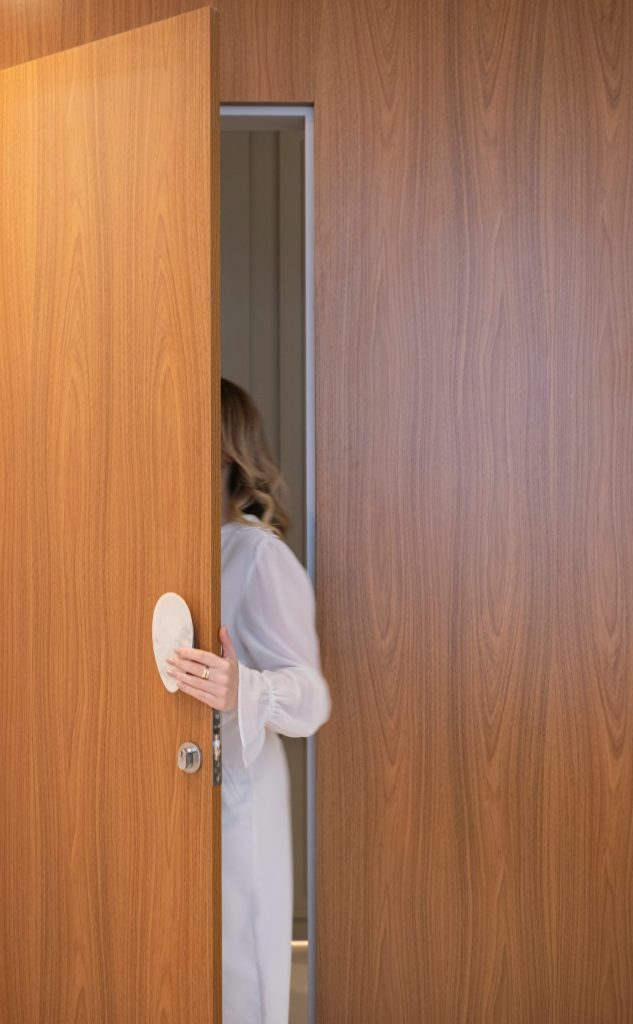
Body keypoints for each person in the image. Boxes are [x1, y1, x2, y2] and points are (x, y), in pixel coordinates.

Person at [165, 378, 332, 1023]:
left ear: (225, 452)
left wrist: (246, 689)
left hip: (237, 804)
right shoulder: (162, 552)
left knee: (240, 983)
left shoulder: (259, 557)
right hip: (171, 804)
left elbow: (312, 697)